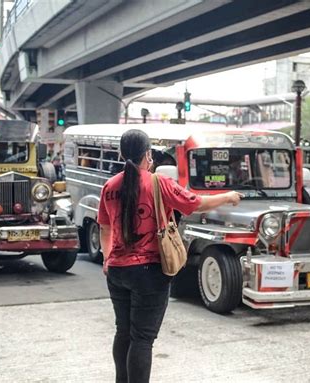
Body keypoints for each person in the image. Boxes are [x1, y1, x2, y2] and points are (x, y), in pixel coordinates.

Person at [97, 129, 243, 383]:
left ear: (121, 154)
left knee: (124, 332)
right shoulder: (158, 182)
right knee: (142, 338)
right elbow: (195, 203)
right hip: (149, 272)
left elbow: (105, 227)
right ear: (148, 154)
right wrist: (228, 197)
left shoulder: (110, 186)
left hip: (117, 271)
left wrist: (107, 259)